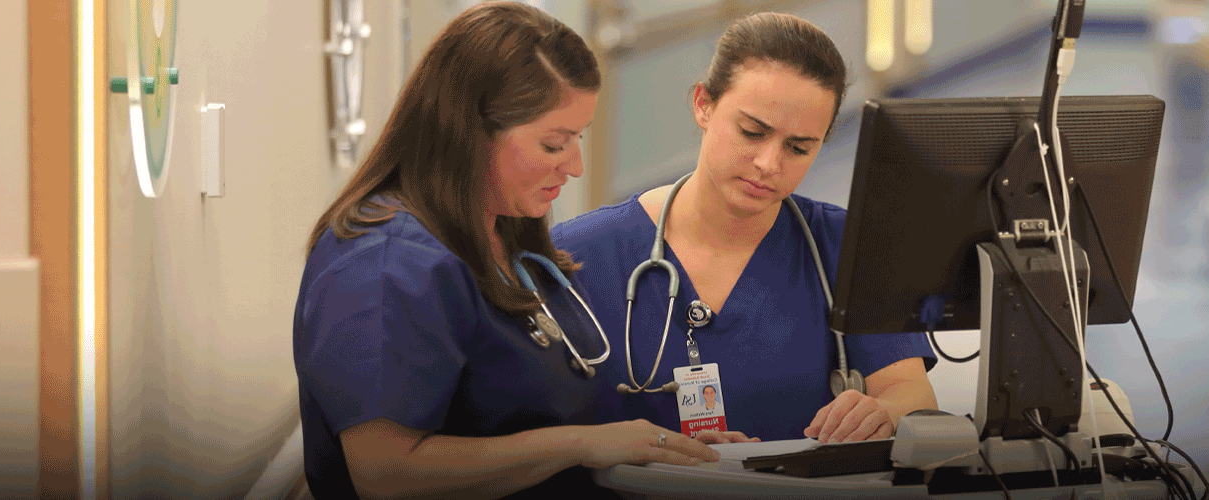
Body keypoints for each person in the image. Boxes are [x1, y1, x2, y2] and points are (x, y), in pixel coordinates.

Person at [292, 3, 716, 499]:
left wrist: (661, 446)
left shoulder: (505, 233)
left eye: (577, 139)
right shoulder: (385, 268)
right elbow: (385, 473)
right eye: (554, 145)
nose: (575, 166)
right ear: (470, 134)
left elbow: (533, 410)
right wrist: (581, 444)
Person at [554, 12, 936, 446]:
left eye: (798, 147)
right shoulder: (577, 256)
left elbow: (911, 395)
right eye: (752, 132)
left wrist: (884, 412)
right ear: (703, 104)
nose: (769, 165)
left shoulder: (848, 248)